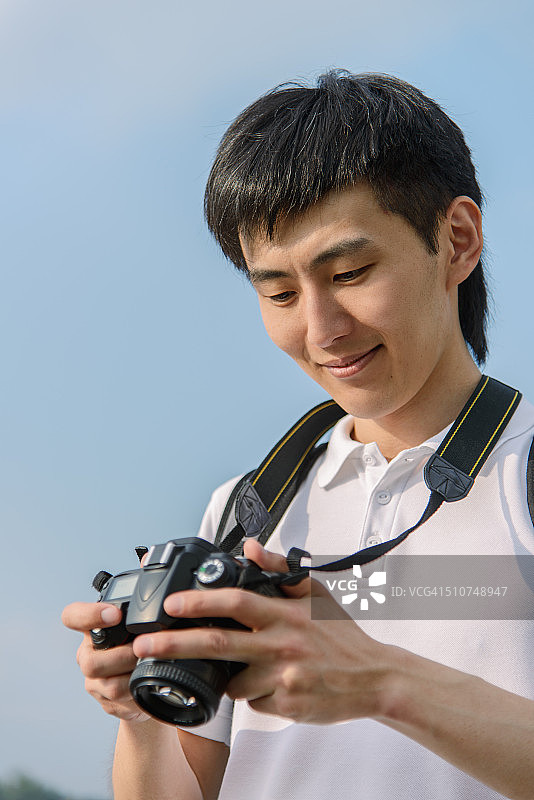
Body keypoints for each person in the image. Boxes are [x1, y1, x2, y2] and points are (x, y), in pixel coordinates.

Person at [62, 71, 534, 800]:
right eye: (278, 292)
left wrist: (379, 680)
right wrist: (139, 712)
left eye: (350, 271)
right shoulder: (243, 510)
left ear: (458, 240)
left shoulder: (522, 471)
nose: (320, 330)